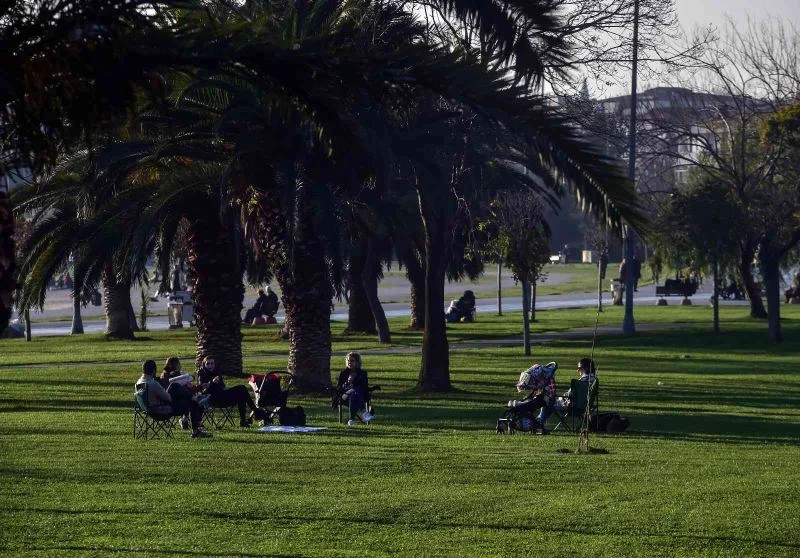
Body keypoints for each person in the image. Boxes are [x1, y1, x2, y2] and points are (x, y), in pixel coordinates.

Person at [135, 359, 210, 438]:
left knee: (176, 387)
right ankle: (196, 430)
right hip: (161, 411)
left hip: (148, 409)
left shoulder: (139, 382)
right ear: (154, 370)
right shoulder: (152, 383)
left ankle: (194, 399)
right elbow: (167, 397)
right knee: (190, 401)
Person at [197, 356, 266, 427]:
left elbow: (222, 387)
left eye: (212, 363)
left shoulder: (217, 372)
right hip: (213, 399)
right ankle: (255, 411)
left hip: (223, 396)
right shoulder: (202, 374)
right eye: (208, 363)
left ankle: (244, 420)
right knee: (241, 392)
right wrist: (212, 382)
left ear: (214, 364)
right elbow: (204, 391)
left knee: (241, 391)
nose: (210, 365)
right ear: (204, 364)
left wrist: (219, 382)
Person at [513, 361, 558, 434]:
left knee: (535, 405)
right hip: (543, 396)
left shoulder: (544, 381)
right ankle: (537, 424)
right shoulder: (540, 378)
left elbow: (544, 391)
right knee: (531, 403)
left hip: (547, 397)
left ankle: (537, 425)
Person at [336, 352, 374, 426]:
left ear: (357, 362)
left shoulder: (362, 373)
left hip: (358, 396)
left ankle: (351, 420)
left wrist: (355, 384)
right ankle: (363, 412)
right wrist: (347, 383)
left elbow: (365, 387)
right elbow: (339, 388)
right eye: (348, 361)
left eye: (352, 361)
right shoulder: (343, 373)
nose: (350, 362)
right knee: (354, 391)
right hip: (345, 396)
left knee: (354, 394)